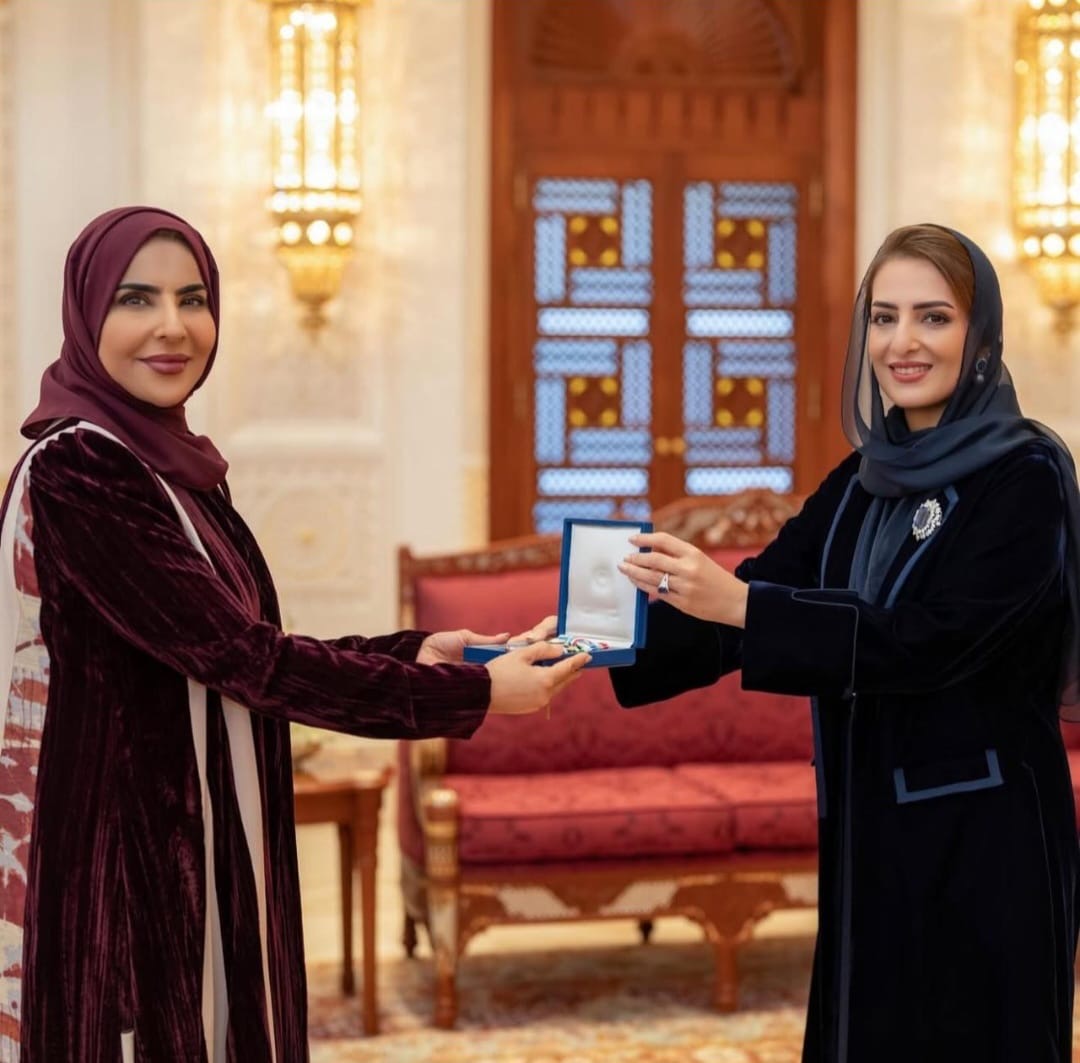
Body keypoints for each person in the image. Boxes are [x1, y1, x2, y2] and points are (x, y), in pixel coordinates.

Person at [0, 205, 587, 1062]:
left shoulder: (167, 465)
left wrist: (412, 654)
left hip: (192, 841)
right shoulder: (82, 467)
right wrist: (474, 693)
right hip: (129, 868)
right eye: (136, 299)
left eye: (193, 299)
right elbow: (245, 661)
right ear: (87, 316)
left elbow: (233, 640)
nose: (173, 327)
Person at [613, 224, 1080, 1062]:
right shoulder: (862, 481)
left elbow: (932, 642)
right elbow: (757, 591)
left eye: (933, 317)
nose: (902, 342)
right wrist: (602, 636)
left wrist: (747, 606)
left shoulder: (1025, 478)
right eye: (884, 317)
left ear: (980, 335)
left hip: (983, 841)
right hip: (870, 832)